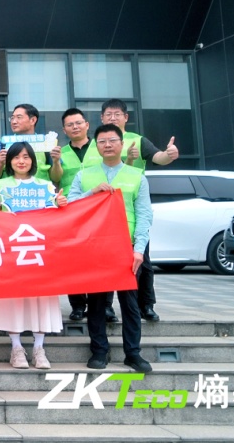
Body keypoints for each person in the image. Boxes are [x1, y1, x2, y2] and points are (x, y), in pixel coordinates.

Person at [69, 124, 154, 374]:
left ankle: (133, 353)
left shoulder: (136, 176)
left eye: (112, 140)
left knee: (130, 303)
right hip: (95, 247)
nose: (107, 145)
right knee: (96, 302)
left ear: (122, 144)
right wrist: (91, 192)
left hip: (127, 247)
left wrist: (139, 249)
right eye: (102, 141)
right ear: (96, 146)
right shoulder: (84, 175)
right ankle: (99, 350)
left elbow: (144, 215)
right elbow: (69, 205)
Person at [0, 142, 67, 370]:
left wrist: (62, 205)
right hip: (12, 252)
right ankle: (16, 348)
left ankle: (39, 349)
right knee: (11, 299)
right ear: (9, 161)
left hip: (39, 251)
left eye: (26, 157)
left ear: (33, 160)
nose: (21, 161)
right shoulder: (0, 185)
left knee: (41, 298)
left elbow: (57, 219)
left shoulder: (46, 186)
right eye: (16, 157)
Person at [100, 99, 179, 323]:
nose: (112, 118)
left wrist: (169, 154)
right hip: (103, 209)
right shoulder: (97, 142)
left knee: (142, 259)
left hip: (132, 207)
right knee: (105, 260)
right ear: (102, 118)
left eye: (117, 114)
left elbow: (158, 158)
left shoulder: (137, 140)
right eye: (108, 114)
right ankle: (106, 306)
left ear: (126, 117)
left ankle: (146, 305)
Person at [56, 108, 106, 323]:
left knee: (100, 257)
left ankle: (105, 306)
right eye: (70, 124)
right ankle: (77, 305)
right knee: (73, 259)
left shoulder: (100, 147)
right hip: (71, 209)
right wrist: (55, 161)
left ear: (87, 125)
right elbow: (55, 179)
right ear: (64, 130)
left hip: (99, 208)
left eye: (78, 123)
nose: (74, 127)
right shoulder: (60, 152)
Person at [0, 104, 61, 183]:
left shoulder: (46, 142)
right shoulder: (5, 142)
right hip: (10, 189)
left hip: (39, 189)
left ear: (33, 120)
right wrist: (0, 163)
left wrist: (56, 162)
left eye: (19, 117)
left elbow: (56, 178)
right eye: (12, 118)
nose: (14, 122)